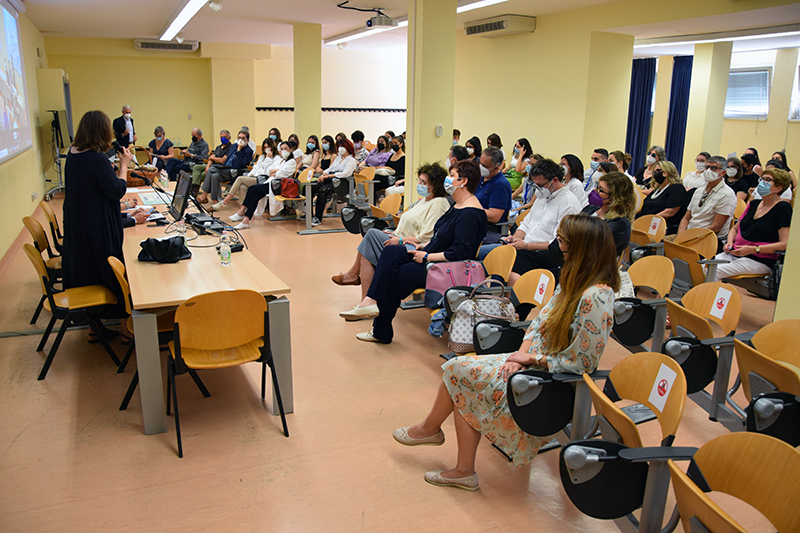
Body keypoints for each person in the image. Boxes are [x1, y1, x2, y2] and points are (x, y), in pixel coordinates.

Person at [392, 215, 619, 490]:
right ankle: (445, 447)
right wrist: (519, 354)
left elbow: (582, 362)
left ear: (581, 248)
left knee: (460, 374)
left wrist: (531, 359)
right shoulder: (573, 280)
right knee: (460, 371)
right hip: (532, 363)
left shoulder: (596, 296)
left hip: (553, 378)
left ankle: (440, 441)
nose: (556, 246)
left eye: (561, 241)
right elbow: (538, 324)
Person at [357, 160, 487, 343]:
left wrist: (426, 256)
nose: (448, 180)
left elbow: (459, 253)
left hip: (444, 268)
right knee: (391, 252)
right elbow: (440, 238)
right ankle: (371, 300)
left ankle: (381, 329)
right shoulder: (457, 206)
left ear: (463, 181)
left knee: (396, 275)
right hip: (431, 256)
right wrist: (422, 247)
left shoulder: (471, 212)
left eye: (452, 176)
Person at [335, 163, 450, 321]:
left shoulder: (438, 203)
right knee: (370, 245)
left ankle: (356, 281)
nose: (420, 185)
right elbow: (408, 224)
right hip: (401, 239)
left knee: (371, 236)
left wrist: (400, 239)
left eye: (424, 182)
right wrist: (394, 233)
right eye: (420, 181)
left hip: (412, 248)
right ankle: (364, 300)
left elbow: (426, 236)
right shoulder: (423, 200)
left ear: (435, 186)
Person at [62, 110, 132, 340]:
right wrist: (124, 166)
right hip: (97, 227)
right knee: (113, 273)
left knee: (89, 272)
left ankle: (94, 327)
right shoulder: (96, 158)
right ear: (102, 131)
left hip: (78, 224)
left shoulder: (73, 154)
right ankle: (125, 329)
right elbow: (116, 190)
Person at [490, 159, 580, 282]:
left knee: (509, 261)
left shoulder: (568, 203)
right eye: (535, 185)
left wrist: (526, 246)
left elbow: (557, 243)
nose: (537, 189)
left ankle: (502, 294)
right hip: (528, 249)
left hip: (548, 255)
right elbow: (526, 224)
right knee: (503, 254)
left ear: (554, 180)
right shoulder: (543, 196)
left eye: (540, 185)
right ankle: (494, 294)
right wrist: (515, 239)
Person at [714, 168, 792, 281]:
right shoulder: (754, 204)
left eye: (768, 180)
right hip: (734, 253)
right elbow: (735, 229)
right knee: (703, 267)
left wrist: (754, 249)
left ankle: (708, 297)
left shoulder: (783, 208)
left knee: (714, 272)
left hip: (759, 259)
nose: (762, 183)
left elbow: (784, 244)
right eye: (762, 179)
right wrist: (729, 243)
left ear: (779, 188)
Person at [228, 141, 297, 229]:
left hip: (279, 186)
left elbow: (281, 174)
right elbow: (268, 170)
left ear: (291, 150)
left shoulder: (292, 162)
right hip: (271, 183)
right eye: (282, 149)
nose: (283, 151)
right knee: (255, 196)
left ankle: (242, 211)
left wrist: (275, 172)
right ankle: (245, 220)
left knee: (252, 189)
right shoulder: (280, 160)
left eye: (286, 149)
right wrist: (274, 171)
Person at [677, 155, 737, 244]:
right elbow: (686, 218)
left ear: (723, 173)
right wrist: (680, 237)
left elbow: (716, 227)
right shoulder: (699, 191)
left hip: (707, 239)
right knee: (667, 246)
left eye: (714, 168)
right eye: (707, 167)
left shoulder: (727, 194)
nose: (709, 171)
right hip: (688, 235)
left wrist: (690, 238)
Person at [211, 137, 277, 211]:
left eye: (268, 147)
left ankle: (225, 201)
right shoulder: (262, 157)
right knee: (242, 186)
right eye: (265, 147)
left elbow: (267, 171)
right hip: (255, 177)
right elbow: (256, 167)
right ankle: (242, 209)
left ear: (272, 146)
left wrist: (268, 158)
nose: (266, 149)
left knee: (240, 179)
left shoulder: (276, 158)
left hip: (263, 179)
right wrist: (250, 174)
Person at [197, 129, 254, 203]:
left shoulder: (248, 151)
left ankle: (204, 195)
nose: (240, 140)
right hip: (226, 169)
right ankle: (215, 200)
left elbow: (238, 165)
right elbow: (227, 159)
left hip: (235, 172)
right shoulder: (234, 146)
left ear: (247, 140)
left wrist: (239, 150)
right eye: (239, 138)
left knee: (211, 169)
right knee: (215, 176)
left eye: (243, 138)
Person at [312, 138, 358, 227]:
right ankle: (309, 213)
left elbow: (345, 174)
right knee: (313, 187)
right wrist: (324, 174)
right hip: (332, 180)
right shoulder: (338, 158)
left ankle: (318, 217)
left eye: (342, 146)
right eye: (339, 146)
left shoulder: (351, 160)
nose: (340, 148)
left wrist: (328, 176)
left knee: (323, 191)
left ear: (347, 147)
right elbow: (331, 168)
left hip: (343, 183)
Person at [636, 160, 688, 235]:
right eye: (654, 172)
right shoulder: (657, 190)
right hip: (645, 223)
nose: (655, 174)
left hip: (659, 227)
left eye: (658, 170)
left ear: (668, 172)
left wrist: (648, 220)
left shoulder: (677, 188)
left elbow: (670, 212)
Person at [476, 146, 512, 243]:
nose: (481, 167)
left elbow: (494, 216)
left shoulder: (500, 185)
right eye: (481, 163)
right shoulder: (481, 178)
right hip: (474, 224)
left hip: (487, 230)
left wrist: (471, 210)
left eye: (485, 166)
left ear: (496, 167)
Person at [191, 130, 234, 194]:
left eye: (225, 137)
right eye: (221, 137)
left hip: (220, 168)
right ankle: (194, 189)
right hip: (212, 166)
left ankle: (194, 192)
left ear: (229, 138)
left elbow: (222, 161)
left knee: (198, 176)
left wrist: (213, 158)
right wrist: (207, 167)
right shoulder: (218, 147)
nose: (223, 139)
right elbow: (210, 159)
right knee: (196, 167)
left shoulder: (231, 147)